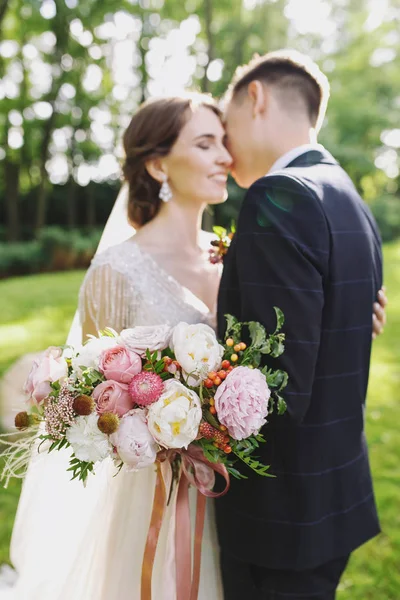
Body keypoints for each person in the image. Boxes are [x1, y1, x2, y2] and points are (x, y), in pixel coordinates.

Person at [0, 87, 386, 598]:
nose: (227, 156)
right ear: (159, 166)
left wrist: (350, 317)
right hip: (153, 501)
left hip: (238, 496)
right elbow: (96, 400)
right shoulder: (117, 270)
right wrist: (150, 427)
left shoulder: (235, 253)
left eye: (223, 141)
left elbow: (283, 339)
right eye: (206, 144)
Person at [216, 49, 384, 599]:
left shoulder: (279, 194)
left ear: (256, 98)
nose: (224, 144)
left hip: (280, 517)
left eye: (225, 122)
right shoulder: (345, 194)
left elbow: (274, 382)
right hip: (334, 494)